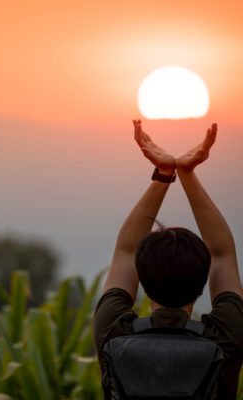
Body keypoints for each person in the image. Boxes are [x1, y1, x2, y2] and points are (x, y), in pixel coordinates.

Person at [93, 120, 243, 399]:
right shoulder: (226, 336)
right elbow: (223, 254)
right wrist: (187, 173)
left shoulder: (114, 331)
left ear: (144, 284)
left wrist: (165, 173)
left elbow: (125, 251)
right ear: (202, 287)